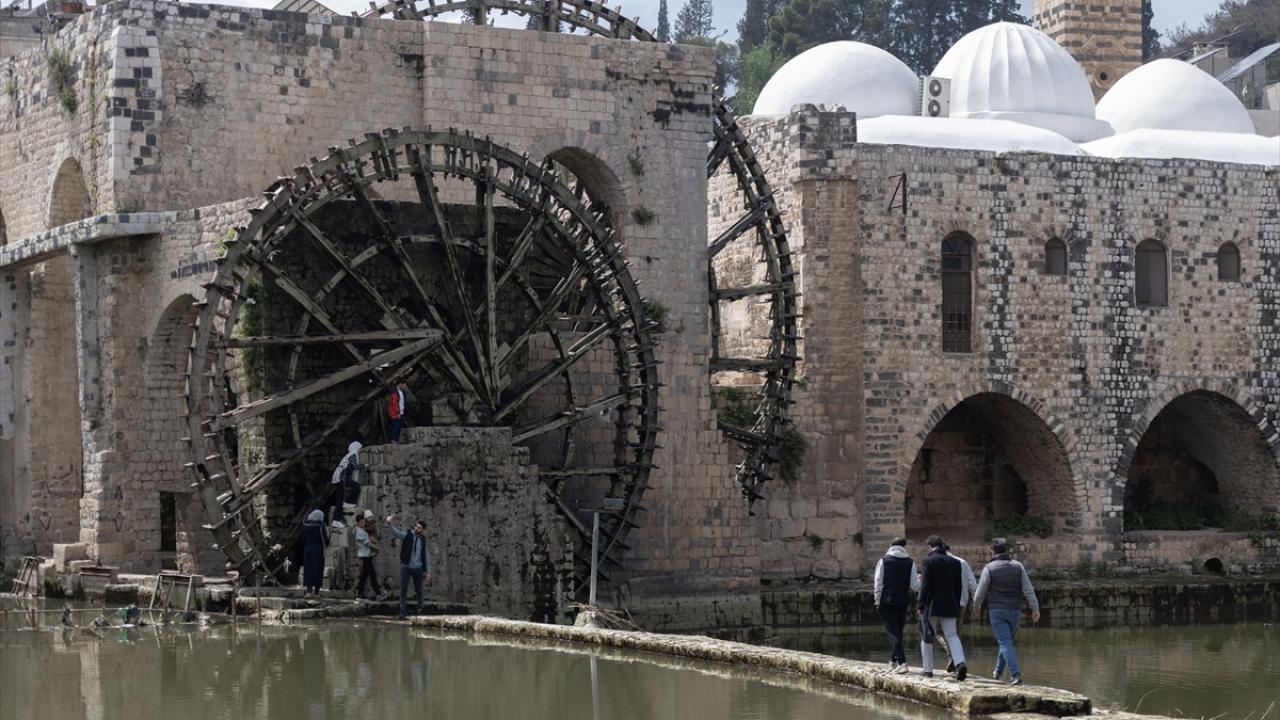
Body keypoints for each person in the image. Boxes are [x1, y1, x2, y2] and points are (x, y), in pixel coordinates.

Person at [972, 540, 1041, 686]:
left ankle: (1015, 675)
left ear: (993, 552)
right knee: (1006, 642)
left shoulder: (989, 568)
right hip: (1015, 610)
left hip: (996, 611)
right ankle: (997, 673)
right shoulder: (1018, 566)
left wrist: (976, 606)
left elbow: (980, 592)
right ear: (1006, 552)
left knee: (1004, 642)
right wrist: (1035, 608)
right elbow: (1028, 589)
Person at [918, 534, 967, 680]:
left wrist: (921, 604)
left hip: (932, 605)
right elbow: (958, 587)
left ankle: (928, 670)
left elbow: (925, 585)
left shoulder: (928, 561)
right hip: (950, 604)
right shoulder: (955, 562)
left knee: (926, 635)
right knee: (952, 635)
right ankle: (960, 663)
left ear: (930, 546)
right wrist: (956, 603)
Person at [873, 536, 921, 674]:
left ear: (890, 546)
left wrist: (877, 601)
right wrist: (920, 580)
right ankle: (893, 661)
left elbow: (878, 583)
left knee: (893, 632)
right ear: (904, 547)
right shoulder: (910, 562)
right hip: (903, 601)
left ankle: (901, 662)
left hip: (887, 601)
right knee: (898, 631)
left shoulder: (883, 561)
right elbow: (915, 587)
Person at [940, 543, 978, 673]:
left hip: (944, 602)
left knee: (938, 631)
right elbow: (972, 582)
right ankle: (957, 661)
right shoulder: (962, 562)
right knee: (956, 633)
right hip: (961, 602)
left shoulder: (939, 562)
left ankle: (953, 657)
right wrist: (976, 601)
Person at [386, 514, 431, 620]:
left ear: (423, 530)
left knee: (419, 590)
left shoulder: (423, 540)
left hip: (418, 568)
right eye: (416, 526)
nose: (416, 528)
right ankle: (402, 612)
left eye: (419, 528)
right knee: (403, 590)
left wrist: (428, 571)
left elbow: (425, 555)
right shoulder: (407, 535)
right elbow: (396, 533)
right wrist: (389, 523)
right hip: (406, 566)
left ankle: (420, 610)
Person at [329, 441, 363, 527]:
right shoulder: (353, 454)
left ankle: (336, 520)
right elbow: (355, 466)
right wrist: (365, 466)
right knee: (356, 486)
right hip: (342, 477)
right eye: (360, 449)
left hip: (339, 477)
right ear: (356, 448)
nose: (360, 451)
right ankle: (349, 502)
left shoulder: (349, 454)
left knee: (339, 500)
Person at [354, 515, 387, 601]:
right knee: (372, 574)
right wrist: (377, 548)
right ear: (357, 523)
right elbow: (366, 543)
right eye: (361, 522)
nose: (363, 524)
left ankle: (359, 593)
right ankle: (378, 593)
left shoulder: (361, 530)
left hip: (366, 554)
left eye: (364, 522)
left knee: (364, 575)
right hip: (364, 555)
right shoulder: (359, 532)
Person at [300, 509, 329, 597]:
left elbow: (302, 540)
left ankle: (308, 591)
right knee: (318, 570)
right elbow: (325, 540)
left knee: (308, 569)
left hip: (307, 550)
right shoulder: (320, 526)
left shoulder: (305, 525)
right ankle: (316, 592)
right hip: (318, 550)